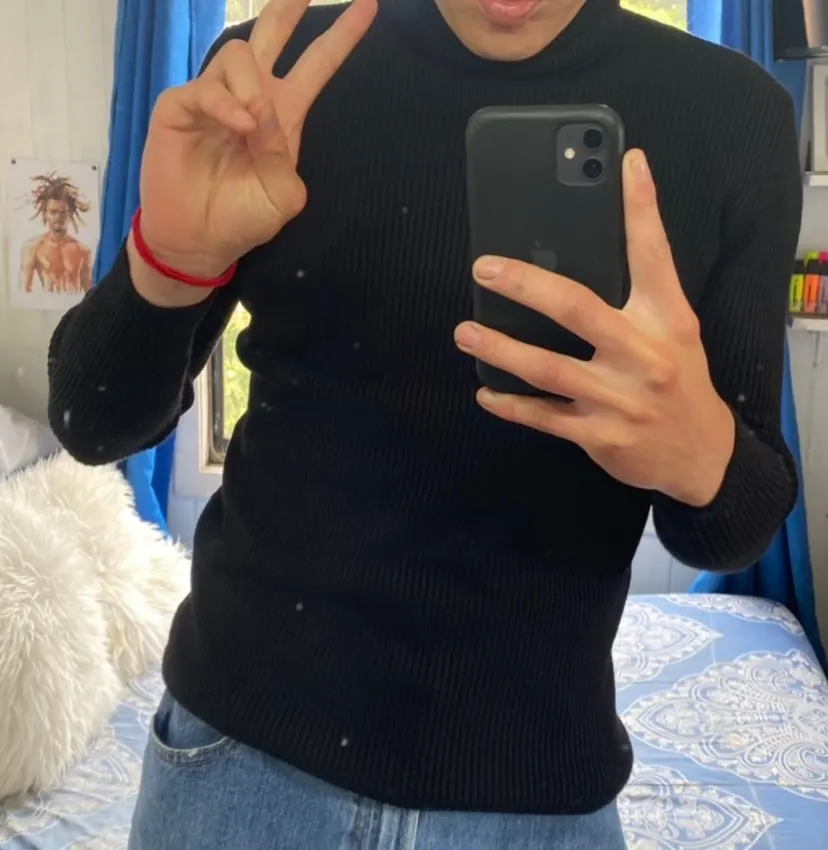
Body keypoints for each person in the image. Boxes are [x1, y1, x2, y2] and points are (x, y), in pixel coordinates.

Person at [47, 0, 802, 847]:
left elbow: (735, 528)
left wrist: (701, 457)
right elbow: (94, 423)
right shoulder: (275, 77)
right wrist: (171, 263)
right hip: (237, 767)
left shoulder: (733, 116)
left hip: (539, 791)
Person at [21, 173, 93, 295]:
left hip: (74, 305)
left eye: (63, 212)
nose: (58, 217)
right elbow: (24, 291)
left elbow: (90, 294)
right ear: (45, 214)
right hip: (45, 304)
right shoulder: (33, 248)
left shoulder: (83, 251)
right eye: (53, 212)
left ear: (70, 214)